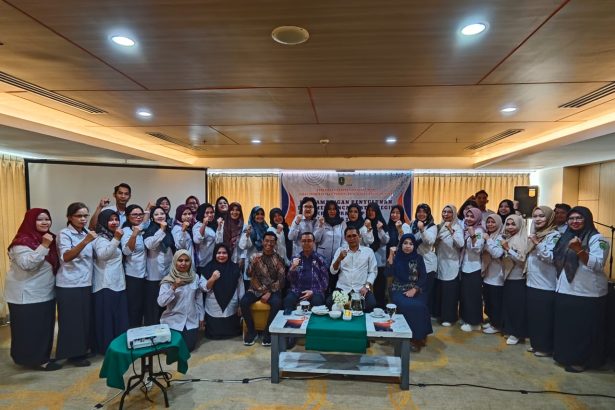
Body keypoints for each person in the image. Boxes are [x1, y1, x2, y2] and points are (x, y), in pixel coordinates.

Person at [553, 206, 610, 372]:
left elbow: (598, 264)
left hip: (587, 292)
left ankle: (582, 361)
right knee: (567, 328)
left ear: (587, 219)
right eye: (571, 218)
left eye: (579, 218)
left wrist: (579, 250)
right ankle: (565, 356)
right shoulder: (565, 237)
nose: (574, 221)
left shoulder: (597, 239)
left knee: (582, 330)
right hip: (565, 288)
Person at [6, 208, 61, 371]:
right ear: (30, 221)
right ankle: (34, 360)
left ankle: (41, 356)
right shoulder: (21, 242)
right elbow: (27, 264)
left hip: (45, 291)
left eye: (47, 219)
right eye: (40, 219)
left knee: (43, 328)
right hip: (26, 294)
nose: (45, 222)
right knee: (28, 330)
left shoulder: (49, 238)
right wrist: (44, 245)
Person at [55, 202, 96, 367]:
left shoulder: (86, 232)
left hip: (85, 282)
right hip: (69, 284)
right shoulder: (64, 234)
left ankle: (81, 350)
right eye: (79, 216)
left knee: (83, 320)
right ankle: (72, 355)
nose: (83, 219)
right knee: (71, 321)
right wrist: (85, 242)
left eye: (85, 215)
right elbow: (66, 256)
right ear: (69, 217)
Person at [386, 233, 433, 352]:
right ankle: (408, 337)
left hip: (415, 288)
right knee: (407, 305)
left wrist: (415, 289)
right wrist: (391, 255)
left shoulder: (418, 258)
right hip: (398, 289)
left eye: (411, 244)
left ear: (414, 246)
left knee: (420, 306)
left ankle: (418, 338)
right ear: (401, 245)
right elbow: (388, 273)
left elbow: (423, 277)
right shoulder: (396, 258)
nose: (408, 246)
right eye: (405, 243)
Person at [92, 209, 129, 355]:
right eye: (110, 220)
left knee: (118, 318)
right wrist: (116, 239)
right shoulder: (100, 238)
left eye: (116, 219)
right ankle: (107, 347)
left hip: (117, 283)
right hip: (105, 285)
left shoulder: (113, 236)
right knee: (107, 320)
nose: (114, 222)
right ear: (103, 222)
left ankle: (118, 346)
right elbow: (103, 255)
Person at [240, 231, 286, 346]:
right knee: (244, 302)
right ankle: (252, 332)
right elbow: (248, 274)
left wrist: (269, 292)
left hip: (272, 290)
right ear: (262, 242)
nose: (269, 243)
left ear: (275, 243)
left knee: (277, 303)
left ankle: (268, 333)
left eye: (272, 241)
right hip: (255, 289)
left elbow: (281, 280)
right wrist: (252, 264)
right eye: (266, 241)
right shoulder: (255, 256)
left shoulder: (279, 259)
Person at [526, 206, 560, 357]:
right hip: (532, 281)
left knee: (544, 318)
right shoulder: (538, 234)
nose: (537, 219)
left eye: (541, 216)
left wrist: (536, 242)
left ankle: (545, 347)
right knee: (534, 316)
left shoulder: (554, 235)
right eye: (535, 216)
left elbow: (551, 258)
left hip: (546, 283)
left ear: (549, 218)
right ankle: (537, 344)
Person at [158, 249, 206, 352]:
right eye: (180, 260)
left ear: (190, 262)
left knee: (188, 348)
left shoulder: (195, 277)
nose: (183, 263)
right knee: (172, 349)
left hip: (191, 320)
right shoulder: (168, 280)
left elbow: (198, 298)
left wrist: (201, 317)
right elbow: (161, 302)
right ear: (175, 262)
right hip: (173, 320)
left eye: (186, 260)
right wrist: (173, 287)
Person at [330, 227, 378, 312]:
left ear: (359, 236)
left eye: (354, 235)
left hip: (361, 289)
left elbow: (373, 272)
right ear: (345, 238)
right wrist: (339, 259)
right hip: (343, 289)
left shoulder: (368, 251)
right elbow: (333, 271)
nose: (352, 239)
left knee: (371, 304)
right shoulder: (340, 251)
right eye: (349, 236)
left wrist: (366, 286)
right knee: (330, 303)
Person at [202, 244, 244, 339]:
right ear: (214, 254)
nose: (221, 255)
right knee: (214, 332)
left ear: (228, 254)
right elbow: (203, 288)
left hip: (231, 305)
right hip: (213, 306)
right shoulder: (208, 268)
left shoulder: (235, 268)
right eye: (219, 253)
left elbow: (240, 288)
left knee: (232, 330)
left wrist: (240, 304)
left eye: (224, 253)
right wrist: (212, 279)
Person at [143, 206, 176, 325]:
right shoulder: (150, 230)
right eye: (156, 214)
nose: (160, 216)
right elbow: (150, 245)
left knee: (166, 303)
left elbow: (172, 248)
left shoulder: (169, 230)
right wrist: (161, 230)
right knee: (154, 305)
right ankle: (153, 326)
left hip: (168, 272)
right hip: (154, 274)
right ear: (152, 217)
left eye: (162, 213)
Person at [501, 214, 528, 345]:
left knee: (516, 308)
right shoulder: (510, 237)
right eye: (508, 224)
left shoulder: (520, 239)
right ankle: (511, 330)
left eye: (513, 224)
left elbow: (522, 259)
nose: (510, 227)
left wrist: (507, 249)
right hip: (509, 277)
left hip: (517, 278)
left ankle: (517, 333)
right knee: (510, 306)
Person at [434, 204, 464, 326]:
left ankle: (449, 318)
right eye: (444, 211)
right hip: (440, 262)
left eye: (449, 212)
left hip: (451, 264)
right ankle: (440, 314)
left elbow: (460, 244)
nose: (446, 214)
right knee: (441, 291)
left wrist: (451, 230)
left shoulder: (457, 227)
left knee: (449, 293)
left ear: (454, 214)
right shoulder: (440, 226)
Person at [284, 232, 329, 311]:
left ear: (314, 242)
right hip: (297, 291)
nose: (306, 243)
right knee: (288, 300)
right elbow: (290, 280)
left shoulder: (320, 259)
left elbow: (325, 282)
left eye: (309, 241)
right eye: (304, 241)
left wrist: (313, 291)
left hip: (315, 291)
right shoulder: (295, 258)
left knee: (317, 301)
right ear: (301, 243)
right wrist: (292, 268)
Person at [459, 207, 484, 332]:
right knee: (465, 295)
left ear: (478, 218)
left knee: (473, 296)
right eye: (467, 216)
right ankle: (466, 318)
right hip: (465, 266)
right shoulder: (466, 229)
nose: (468, 218)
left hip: (474, 268)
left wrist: (473, 235)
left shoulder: (479, 230)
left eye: (472, 216)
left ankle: (474, 323)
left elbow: (477, 248)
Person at [121, 204, 147, 328]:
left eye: (140, 214)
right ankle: (132, 332)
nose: (138, 217)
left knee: (141, 306)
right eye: (134, 214)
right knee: (134, 308)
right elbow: (126, 251)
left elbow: (146, 219)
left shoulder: (142, 228)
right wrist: (134, 234)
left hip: (144, 274)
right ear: (128, 216)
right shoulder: (127, 231)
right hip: (133, 275)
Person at [410, 204, 437, 316]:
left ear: (428, 213)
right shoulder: (413, 224)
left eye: (424, 212)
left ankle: (426, 314)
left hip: (428, 263)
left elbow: (430, 241)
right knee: (415, 288)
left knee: (426, 290)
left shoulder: (432, 226)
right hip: (415, 263)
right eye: (419, 211)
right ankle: (416, 312)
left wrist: (422, 230)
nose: (421, 214)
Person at [481, 213, 505, 334]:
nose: (490, 224)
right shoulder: (488, 235)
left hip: (497, 276)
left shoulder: (501, 237)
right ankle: (492, 321)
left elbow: (497, 254)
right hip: (487, 274)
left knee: (496, 303)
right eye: (488, 222)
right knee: (489, 301)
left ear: (499, 223)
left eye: (493, 222)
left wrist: (488, 240)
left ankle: (497, 325)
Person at [365, 202, 390, 308]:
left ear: (377, 212)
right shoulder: (365, 224)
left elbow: (386, 240)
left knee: (380, 286)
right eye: (369, 210)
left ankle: (380, 307)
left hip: (380, 260)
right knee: (367, 284)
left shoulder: (381, 223)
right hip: (366, 260)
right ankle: (369, 307)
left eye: (373, 210)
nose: (371, 212)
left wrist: (380, 229)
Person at [317, 200, 346, 278]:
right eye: (329, 209)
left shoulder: (341, 223)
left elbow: (344, 241)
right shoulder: (321, 222)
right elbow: (316, 239)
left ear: (337, 210)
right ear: (326, 211)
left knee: (335, 279)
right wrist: (320, 226)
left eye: (334, 209)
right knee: (323, 281)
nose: (332, 211)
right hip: (322, 257)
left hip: (337, 257)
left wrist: (342, 254)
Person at [240, 206, 270, 280]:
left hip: (264, 262)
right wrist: (247, 235)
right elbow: (243, 246)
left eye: (262, 214)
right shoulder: (248, 228)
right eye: (257, 214)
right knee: (251, 284)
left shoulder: (266, 228)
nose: (260, 216)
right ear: (253, 215)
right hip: (251, 262)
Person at [193, 203, 220, 276]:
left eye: (212, 212)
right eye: (207, 213)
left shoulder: (213, 224)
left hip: (213, 260)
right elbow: (197, 240)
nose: (210, 215)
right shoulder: (198, 226)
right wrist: (204, 224)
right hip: (202, 262)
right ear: (202, 214)